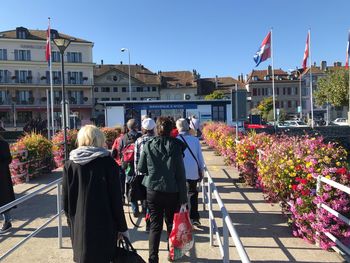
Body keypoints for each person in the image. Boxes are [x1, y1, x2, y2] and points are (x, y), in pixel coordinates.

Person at [62, 125, 128, 263]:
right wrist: (122, 227)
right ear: (99, 139)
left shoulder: (70, 165)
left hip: (80, 227)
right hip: (105, 226)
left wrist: (72, 223)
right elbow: (116, 199)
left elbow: (66, 202)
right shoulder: (108, 163)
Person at [138, 116, 187, 263]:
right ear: (171, 129)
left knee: (155, 225)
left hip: (153, 190)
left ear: (157, 129)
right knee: (172, 224)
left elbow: (141, 168)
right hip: (172, 191)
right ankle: (172, 254)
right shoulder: (177, 146)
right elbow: (180, 175)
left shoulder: (148, 145)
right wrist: (184, 199)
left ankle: (153, 257)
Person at [176, 118, 204, 226]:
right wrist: (201, 170)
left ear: (178, 127)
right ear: (188, 127)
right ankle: (194, 218)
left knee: (181, 196)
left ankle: (184, 218)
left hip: (180, 172)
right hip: (193, 171)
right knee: (193, 193)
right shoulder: (195, 140)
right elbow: (199, 157)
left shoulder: (175, 140)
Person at [134, 118, 156, 232]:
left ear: (143, 129)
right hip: (155, 174)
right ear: (154, 128)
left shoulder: (138, 141)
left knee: (145, 201)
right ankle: (153, 222)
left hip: (142, 174)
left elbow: (136, 160)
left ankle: (148, 223)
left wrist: (136, 174)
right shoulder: (157, 140)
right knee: (154, 201)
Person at [118, 119, 141, 217]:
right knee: (142, 186)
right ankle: (144, 207)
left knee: (131, 186)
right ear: (136, 126)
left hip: (129, 166)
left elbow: (119, 152)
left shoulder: (123, 138)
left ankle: (134, 209)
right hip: (140, 165)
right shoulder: (140, 137)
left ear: (128, 127)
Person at [0, 136, 15, 234]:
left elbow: (8, 159)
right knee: (4, 199)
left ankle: (7, 222)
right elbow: (9, 159)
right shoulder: (4, 143)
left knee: (4, 199)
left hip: (2, 176)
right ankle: (7, 221)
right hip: (3, 175)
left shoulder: (3, 144)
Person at [111, 126, 126, 203]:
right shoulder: (131, 138)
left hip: (119, 163)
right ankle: (131, 196)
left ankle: (122, 197)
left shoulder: (117, 139)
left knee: (121, 181)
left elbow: (113, 151)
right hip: (129, 163)